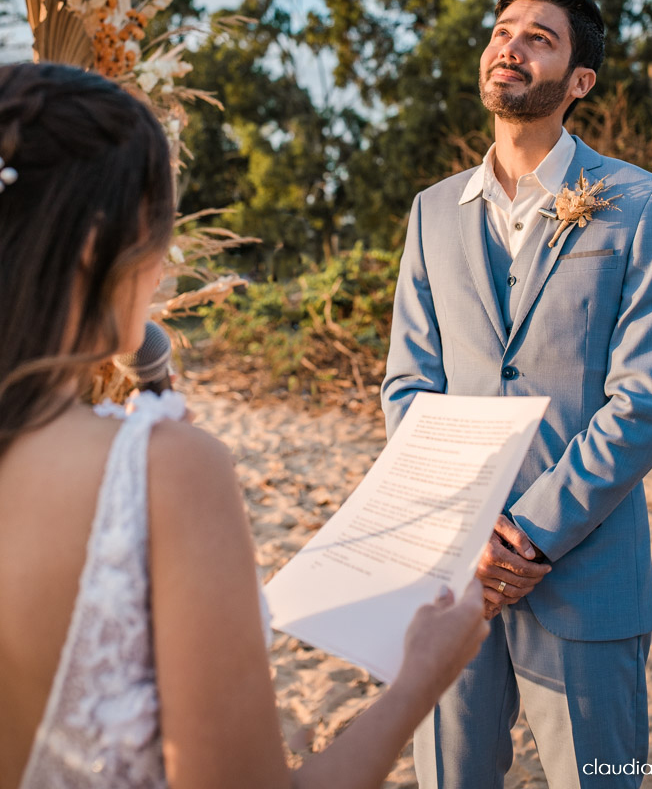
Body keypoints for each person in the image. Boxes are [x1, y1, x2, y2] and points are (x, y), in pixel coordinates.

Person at [0, 61, 488, 789]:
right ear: (95, 246)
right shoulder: (169, 472)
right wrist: (420, 678)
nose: (163, 269)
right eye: (157, 231)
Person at [382, 0, 652, 789]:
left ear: (578, 81)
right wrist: (470, 532)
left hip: (583, 571)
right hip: (457, 573)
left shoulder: (641, 204)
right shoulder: (430, 211)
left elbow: (646, 402)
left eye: (537, 37)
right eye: (500, 31)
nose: (508, 47)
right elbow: (407, 386)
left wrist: (529, 535)